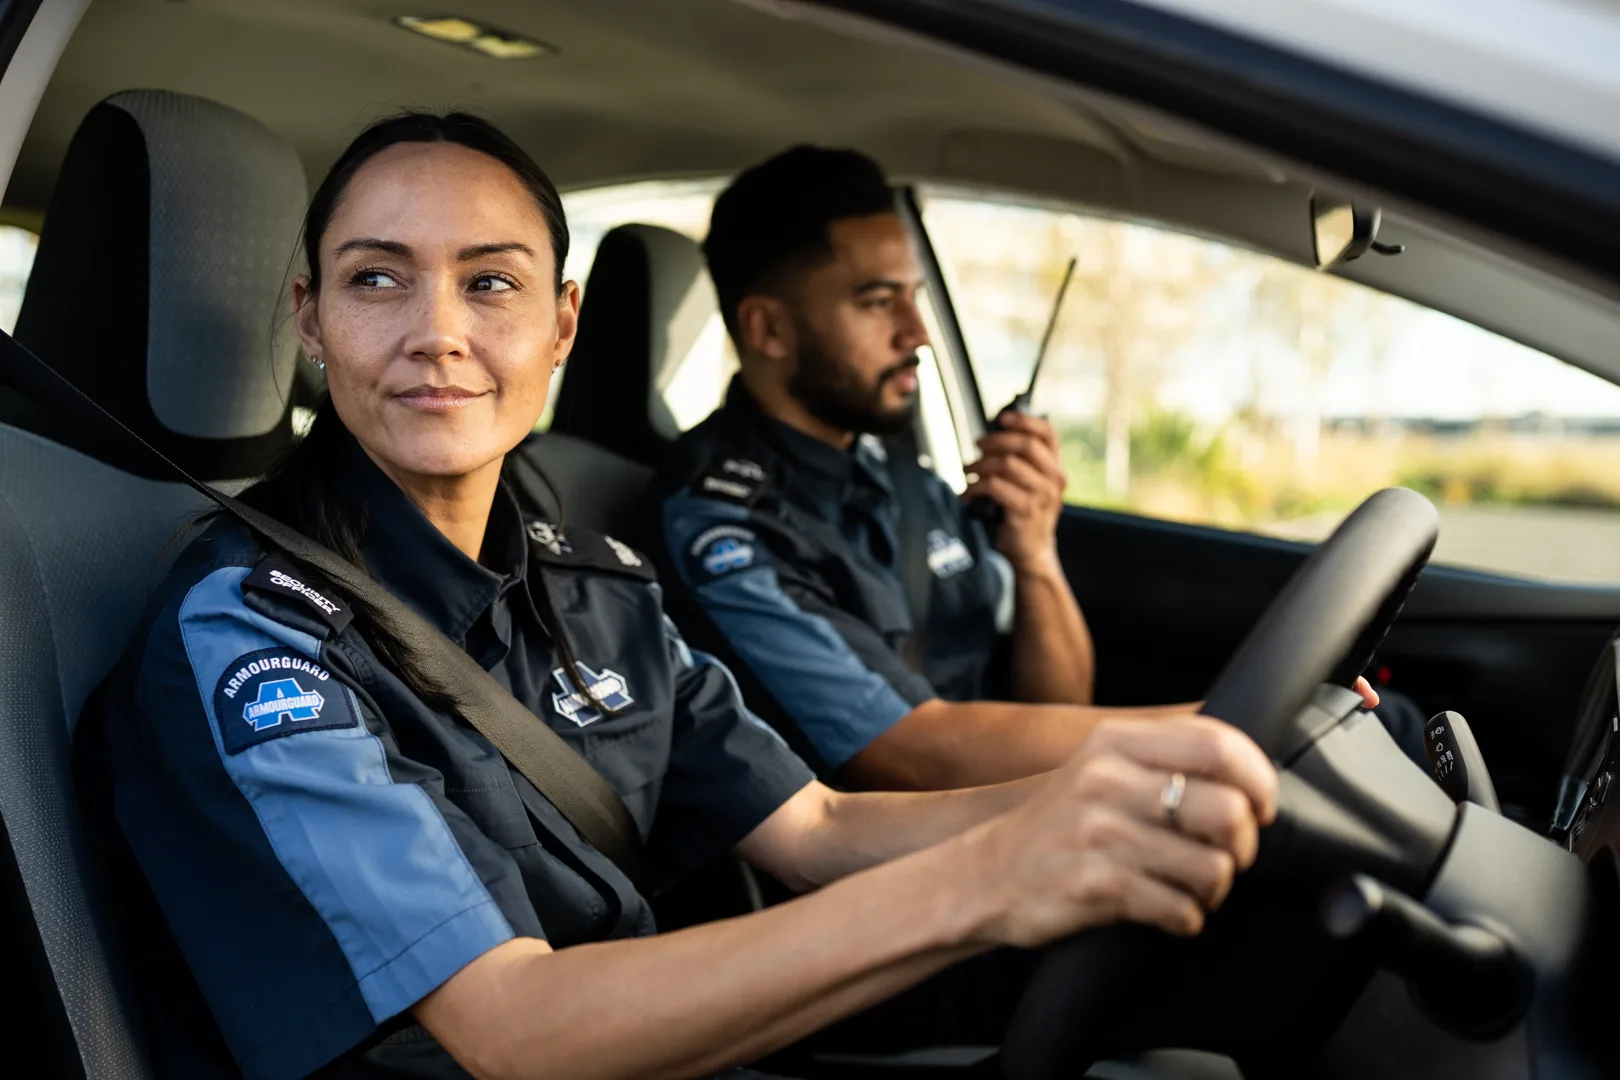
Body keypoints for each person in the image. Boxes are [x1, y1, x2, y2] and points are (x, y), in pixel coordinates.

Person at [88, 113, 1278, 1080]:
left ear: (562, 326)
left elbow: (818, 831)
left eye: (490, 283)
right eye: (377, 280)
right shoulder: (252, 632)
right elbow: (510, 1030)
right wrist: (993, 879)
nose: (437, 332)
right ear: (311, 318)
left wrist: (1130, 783)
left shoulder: (591, 584)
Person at [640, 146, 1385, 791]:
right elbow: (910, 753)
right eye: (877, 302)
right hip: (922, 865)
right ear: (768, 329)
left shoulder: (899, 471)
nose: (917, 332)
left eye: (915, 297)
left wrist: (1034, 557)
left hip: (1039, 809)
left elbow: (1058, 709)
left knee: (1389, 733)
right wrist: (1238, 728)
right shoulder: (721, 517)